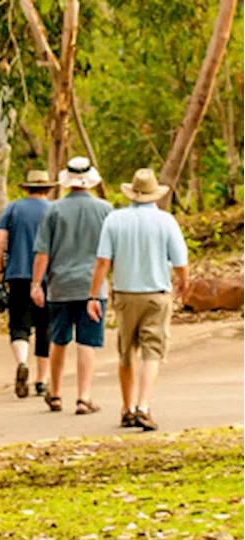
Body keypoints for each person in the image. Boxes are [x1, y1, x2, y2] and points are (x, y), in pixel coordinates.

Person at [87, 168, 189, 432]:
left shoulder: (115, 220)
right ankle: (144, 406)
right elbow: (180, 262)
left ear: (132, 193)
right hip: (156, 294)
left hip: (124, 294)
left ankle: (127, 407)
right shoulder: (166, 221)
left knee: (126, 351)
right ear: (155, 195)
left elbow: (102, 261)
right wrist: (183, 283)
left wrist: (94, 294)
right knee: (152, 351)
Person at [31, 157, 113, 415]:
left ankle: (54, 394)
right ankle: (83, 397)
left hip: (60, 286)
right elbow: (110, 253)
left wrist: (36, 284)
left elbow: (42, 253)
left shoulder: (53, 210)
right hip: (93, 287)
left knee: (58, 339)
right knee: (87, 342)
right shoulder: (105, 210)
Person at [0, 170, 56, 399]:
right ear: (48, 189)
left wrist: (0, 268)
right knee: (44, 326)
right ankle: (41, 380)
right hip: (48, 276)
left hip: (17, 274)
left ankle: (21, 363)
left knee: (19, 323)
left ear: (26, 188)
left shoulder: (13, 208)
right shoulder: (53, 209)